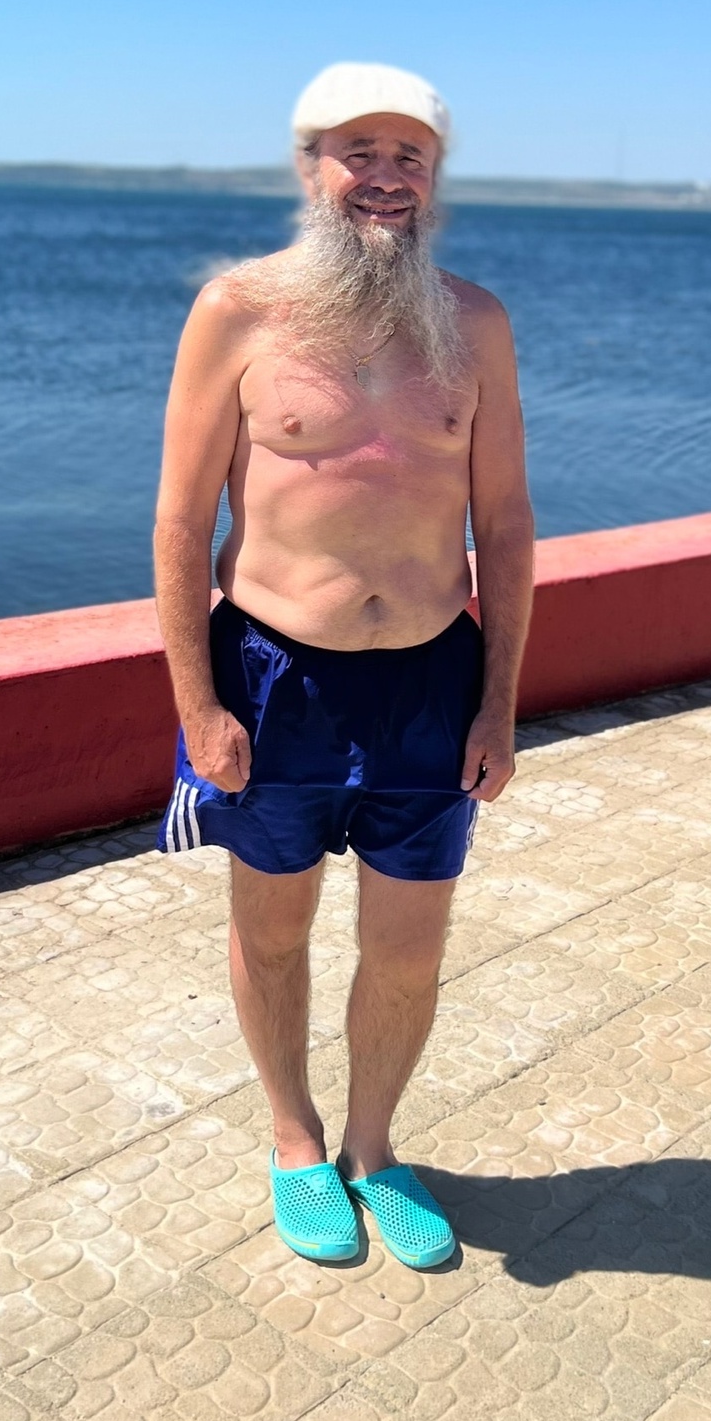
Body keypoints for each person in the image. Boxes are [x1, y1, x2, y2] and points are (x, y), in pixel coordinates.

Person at [153, 62, 534, 1268]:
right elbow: (179, 525)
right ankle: (293, 1136)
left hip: (430, 680)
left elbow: (505, 525)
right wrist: (199, 706)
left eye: (409, 155)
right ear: (310, 166)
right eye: (357, 151)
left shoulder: (474, 325)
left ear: (436, 178)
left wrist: (500, 704)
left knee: (409, 948)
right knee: (273, 930)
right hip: (276, 678)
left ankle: (373, 1147)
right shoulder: (239, 312)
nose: (384, 176)